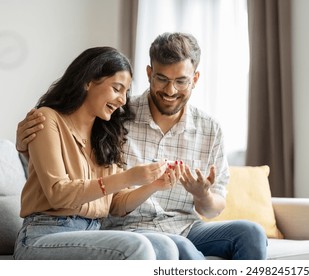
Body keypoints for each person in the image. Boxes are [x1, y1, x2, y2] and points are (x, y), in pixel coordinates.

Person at [16, 33, 268, 260]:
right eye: (162, 79)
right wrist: (25, 145)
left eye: (181, 81)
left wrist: (194, 192)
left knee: (251, 233)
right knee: (176, 247)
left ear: (195, 79)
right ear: (149, 74)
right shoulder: (117, 117)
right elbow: (57, 181)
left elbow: (113, 202)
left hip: (176, 225)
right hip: (118, 228)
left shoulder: (108, 123)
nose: (170, 90)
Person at [13, 46, 180, 260]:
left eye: (126, 93)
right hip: (43, 235)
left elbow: (117, 204)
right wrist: (128, 177)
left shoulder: (106, 136)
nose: (122, 100)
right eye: (117, 89)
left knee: (165, 246)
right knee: (137, 246)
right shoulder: (47, 119)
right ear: (88, 81)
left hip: (91, 233)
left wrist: (154, 185)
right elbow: (58, 193)